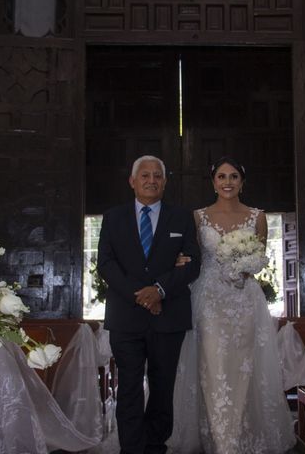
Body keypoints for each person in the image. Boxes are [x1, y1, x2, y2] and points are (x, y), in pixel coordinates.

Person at [168, 156, 296, 453]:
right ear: (213, 182)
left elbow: (260, 258)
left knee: (245, 368)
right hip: (210, 300)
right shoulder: (198, 217)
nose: (228, 182)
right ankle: (221, 440)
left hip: (245, 301)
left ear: (242, 182)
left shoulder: (257, 216)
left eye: (234, 177)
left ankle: (241, 435)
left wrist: (245, 265)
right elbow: (192, 256)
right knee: (212, 368)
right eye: (222, 177)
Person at [98, 155, 201, 454]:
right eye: (145, 175)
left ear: (165, 182)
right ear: (132, 181)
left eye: (158, 175)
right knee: (128, 386)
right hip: (125, 318)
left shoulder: (181, 218)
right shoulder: (113, 217)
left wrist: (159, 290)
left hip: (169, 316)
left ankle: (155, 446)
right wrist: (142, 295)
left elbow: (193, 264)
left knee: (162, 385)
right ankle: (131, 448)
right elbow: (105, 263)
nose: (151, 180)